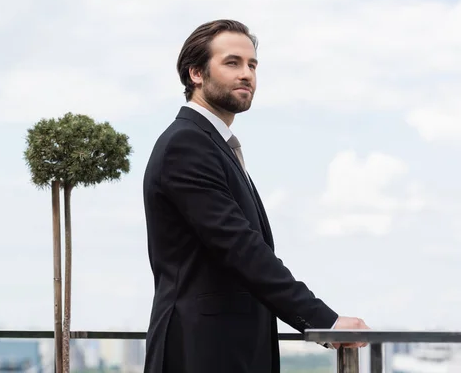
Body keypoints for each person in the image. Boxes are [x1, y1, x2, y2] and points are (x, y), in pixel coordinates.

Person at [142, 19, 370, 373]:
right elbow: (241, 249)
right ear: (196, 73)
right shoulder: (186, 144)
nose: (246, 74)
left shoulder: (213, 145)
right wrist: (324, 321)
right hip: (200, 352)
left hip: (229, 350)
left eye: (252, 65)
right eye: (232, 63)